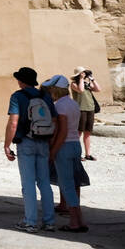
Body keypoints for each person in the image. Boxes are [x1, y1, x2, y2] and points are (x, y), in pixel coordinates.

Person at [5, 65, 61, 232]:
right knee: (44, 182)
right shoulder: (45, 96)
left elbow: (13, 122)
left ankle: (30, 221)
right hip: (43, 141)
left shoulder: (17, 96)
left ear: (21, 81)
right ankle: (49, 221)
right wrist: (50, 142)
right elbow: (55, 121)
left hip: (26, 142)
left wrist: (6, 145)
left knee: (28, 183)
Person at [44, 74, 88, 233]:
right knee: (73, 183)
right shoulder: (73, 103)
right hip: (75, 145)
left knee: (67, 185)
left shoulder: (60, 106)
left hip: (64, 147)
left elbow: (61, 131)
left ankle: (75, 222)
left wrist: (53, 151)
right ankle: (79, 220)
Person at [71, 67, 100, 161]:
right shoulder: (74, 84)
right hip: (80, 109)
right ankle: (76, 154)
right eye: (82, 73)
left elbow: (98, 89)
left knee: (87, 132)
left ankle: (88, 154)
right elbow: (81, 90)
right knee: (79, 132)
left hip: (90, 108)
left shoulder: (87, 83)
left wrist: (92, 79)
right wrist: (81, 79)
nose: (84, 74)